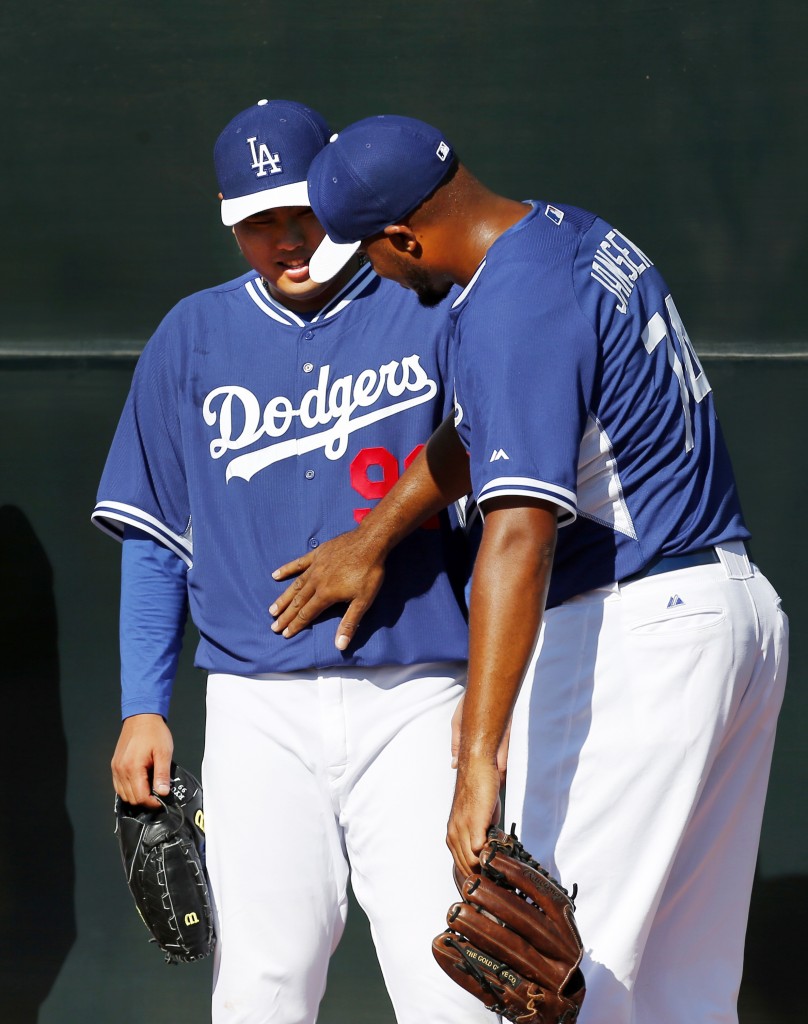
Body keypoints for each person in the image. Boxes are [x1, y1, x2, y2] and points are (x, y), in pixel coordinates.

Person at [268, 114, 790, 1024]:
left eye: (370, 253)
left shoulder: (510, 308)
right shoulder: (565, 236)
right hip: (732, 613)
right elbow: (484, 431)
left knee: (553, 975)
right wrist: (376, 536)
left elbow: (519, 535)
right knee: (679, 994)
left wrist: (475, 763)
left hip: (642, 637)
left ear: (404, 236)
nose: (372, 272)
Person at [92, 101, 492, 1024]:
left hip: (419, 692)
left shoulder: (425, 307)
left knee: (453, 985)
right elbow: (157, 539)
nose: (289, 238)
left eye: (304, 210)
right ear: (230, 222)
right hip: (255, 704)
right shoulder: (189, 339)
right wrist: (142, 706)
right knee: (262, 985)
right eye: (261, 220)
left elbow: (502, 509)